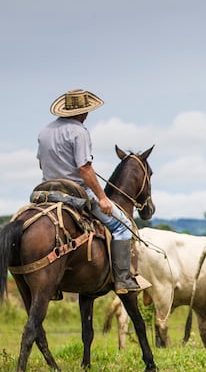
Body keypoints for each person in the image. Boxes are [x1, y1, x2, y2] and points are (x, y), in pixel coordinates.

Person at [37, 89, 144, 293]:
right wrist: (102, 198)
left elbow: (42, 165)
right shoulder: (79, 131)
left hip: (46, 192)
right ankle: (122, 279)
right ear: (83, 112)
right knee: (123, 226)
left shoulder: (44, 131)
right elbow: (84, 168)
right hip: (74, 193)